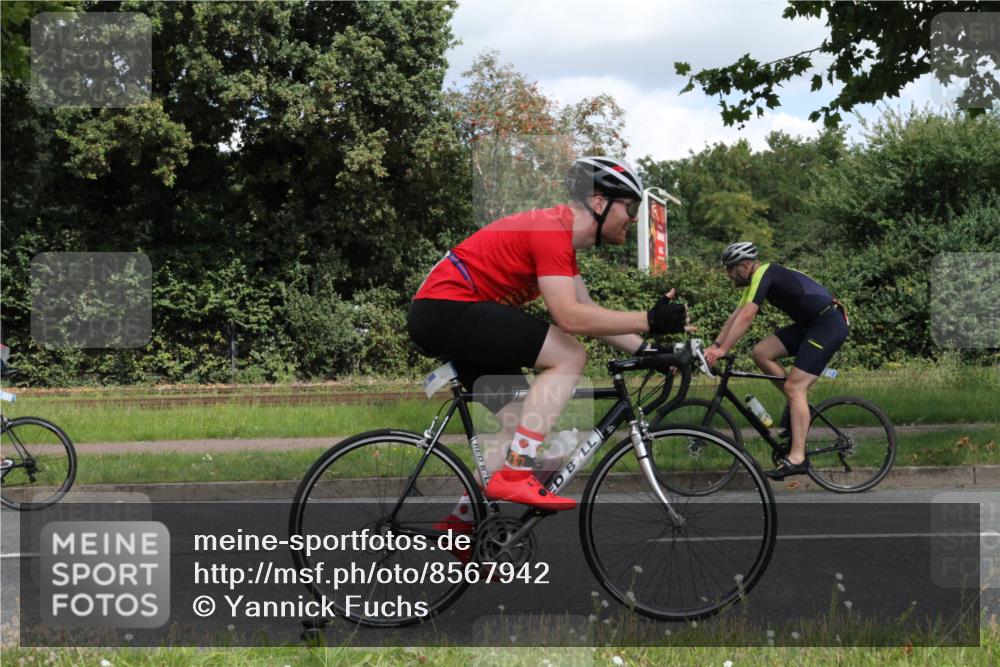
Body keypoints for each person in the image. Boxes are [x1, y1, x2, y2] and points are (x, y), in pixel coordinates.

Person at [407, 156, 692, 531]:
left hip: (450, 314)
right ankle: (514, 475)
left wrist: (648, 349)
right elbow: (570, 318)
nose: (635, 217)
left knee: (521, 423)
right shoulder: (550, 230)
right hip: (446, 308)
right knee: (569, 354)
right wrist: (652, 320)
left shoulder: (559, 239)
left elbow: (590, 312)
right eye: (630, 206)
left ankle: (460, 525)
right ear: (600, 203)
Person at [704, 241, 849, 478]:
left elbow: (748, 316)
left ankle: (797, 458)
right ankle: (795, 403)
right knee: (761, 352)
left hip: (827, 325)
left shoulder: (764, 273)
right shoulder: (758, 278)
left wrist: (723, 350)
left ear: (747, 265)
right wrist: (717, 345)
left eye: (732, 268)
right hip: (810, 324)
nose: (729, 274)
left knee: (795, 387)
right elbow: (737, 316)